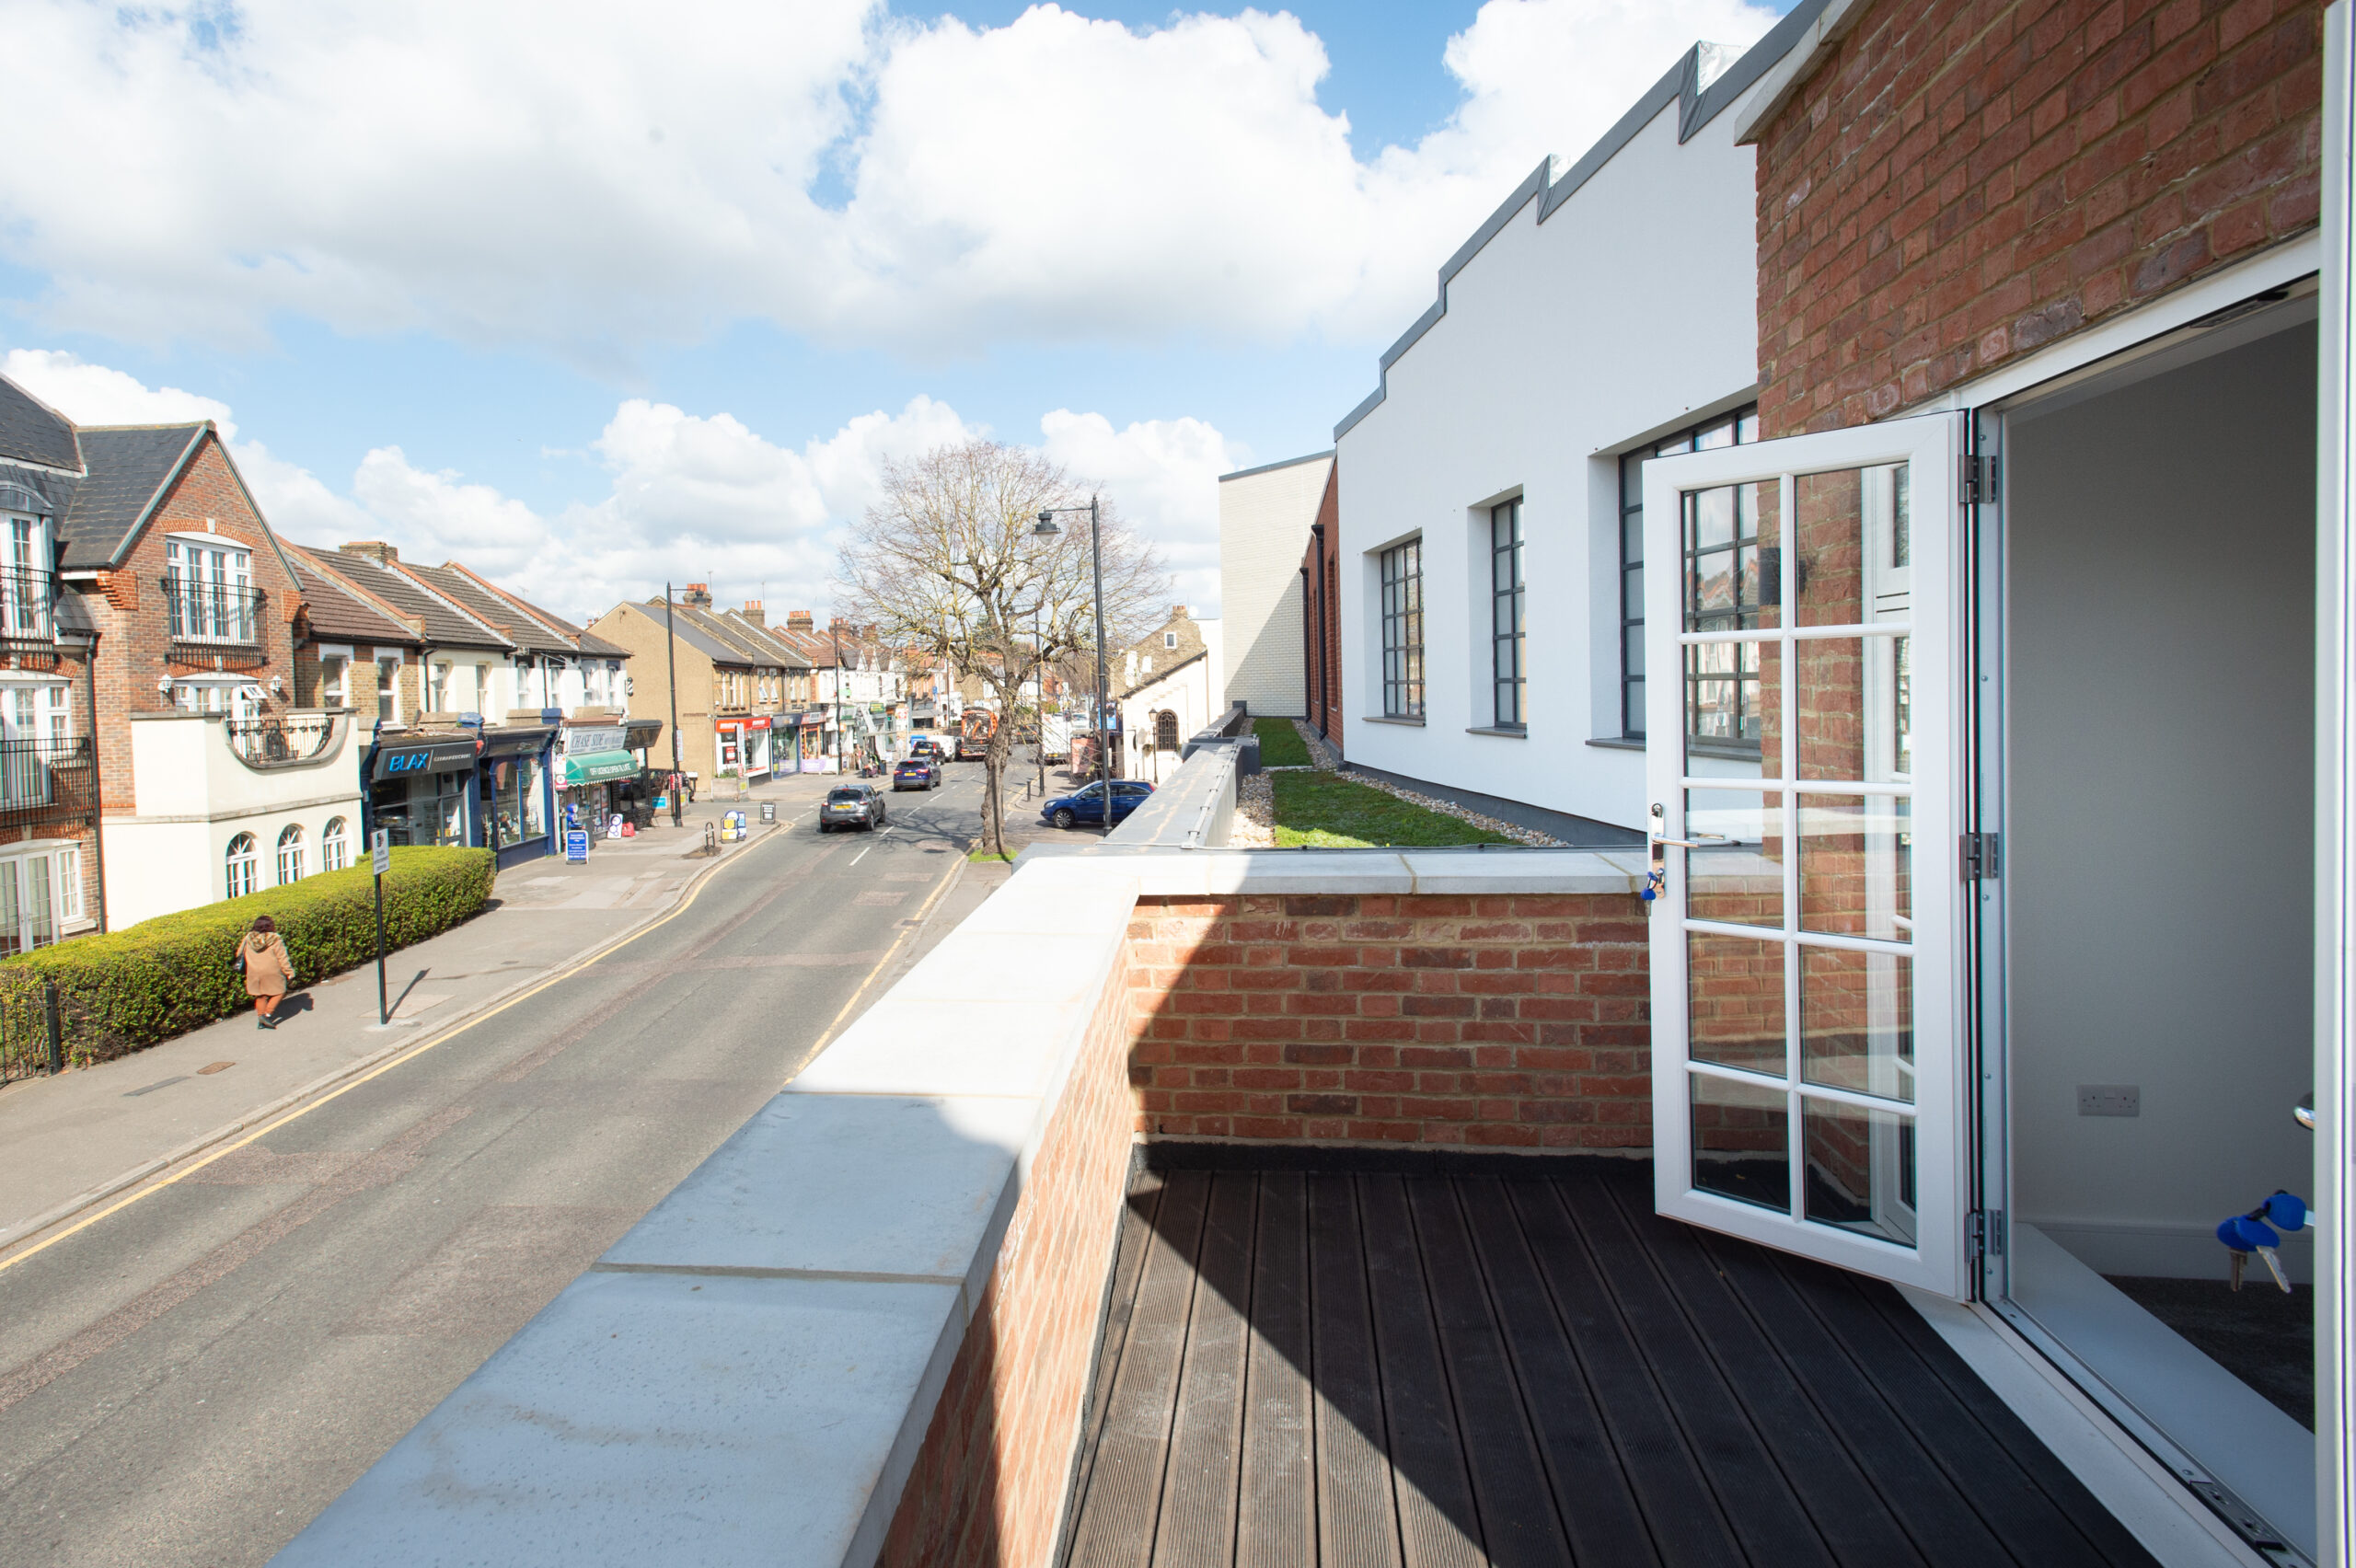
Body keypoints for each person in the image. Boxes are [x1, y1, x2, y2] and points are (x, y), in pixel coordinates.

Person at [239, 916, 295, 1030]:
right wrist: (289, 972)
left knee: (261, 996)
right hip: (272, 971)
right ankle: (267, 1015)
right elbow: (282, 957)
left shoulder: (248, 938)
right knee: (280, 991)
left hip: (253, 972)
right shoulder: (275, 939)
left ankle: (261, 1020)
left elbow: (239, 953)